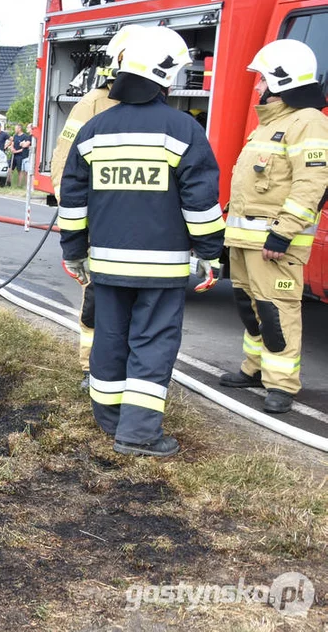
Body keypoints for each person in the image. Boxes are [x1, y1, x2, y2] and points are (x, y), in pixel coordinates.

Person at [59, 25, 225, 457]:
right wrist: (210, 252)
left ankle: (110, 420)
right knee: (152, 343)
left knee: (110, 337)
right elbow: (201, 203)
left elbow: (73, 201)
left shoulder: (94, 129)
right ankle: (138, 434)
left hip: (107, 266)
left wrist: (74, 252)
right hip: (162, 269)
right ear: (166, 75)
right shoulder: (183, 130)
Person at [218, 39, 328, 414]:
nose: (258, 86)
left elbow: (311, 183)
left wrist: (282, 233)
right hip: (246, 242)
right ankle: (253, 369)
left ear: (282, 81)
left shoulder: (308, 121)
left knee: (276, 312)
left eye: (263, 79)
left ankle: (282, 384)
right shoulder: (269, 125)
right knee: (250, 308)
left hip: (274, 243)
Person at [49, 25, 144, 389]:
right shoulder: (93, 103)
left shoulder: (154, 104)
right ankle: (92, 366)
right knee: (97, 299)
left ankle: (129, 368)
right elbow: (65, 159)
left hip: (140, 223)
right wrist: (75, 213)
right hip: (100, 222)